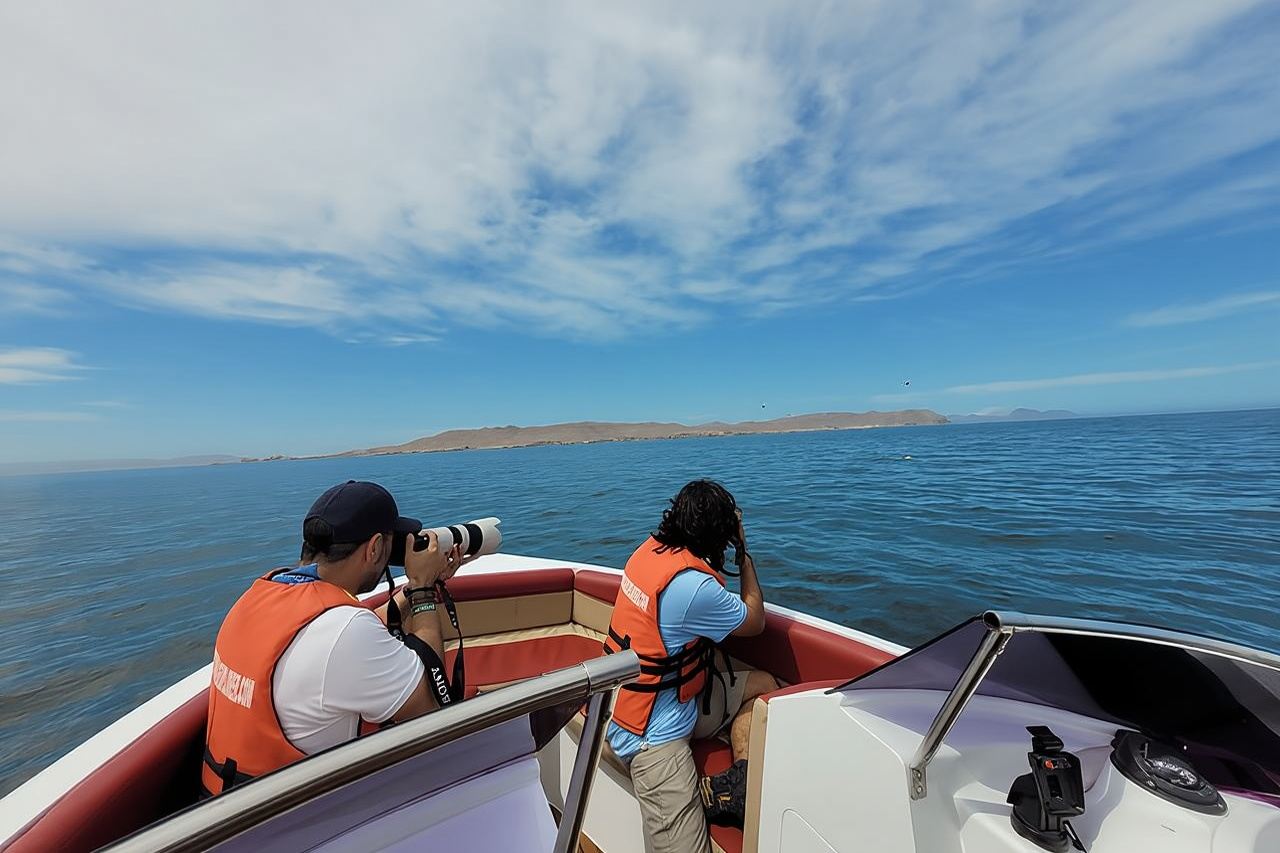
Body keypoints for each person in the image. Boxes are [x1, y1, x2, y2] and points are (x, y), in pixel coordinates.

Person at [201, 480, 462, 797]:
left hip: (229, 809)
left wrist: (414, 589)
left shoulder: (258, 595)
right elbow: (431, 708)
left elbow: (339, 639)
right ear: (376, 547)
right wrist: (422, 589)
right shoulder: (345, 632)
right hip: (296, 824)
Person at [604, 480, 779, 853]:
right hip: (652, 738)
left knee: (763, 686)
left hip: (644, 700)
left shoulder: (649, 553)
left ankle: (739, 784)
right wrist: (744, 552)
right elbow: (755, 620)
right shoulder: (695, 589)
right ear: (721, 535)